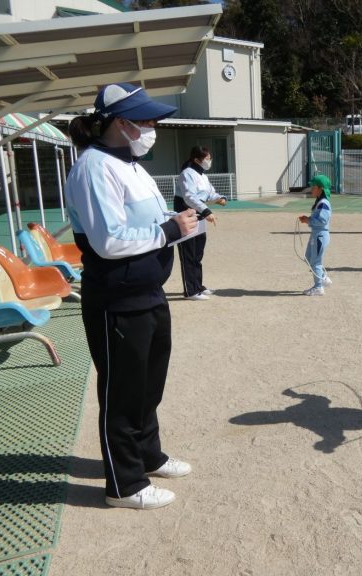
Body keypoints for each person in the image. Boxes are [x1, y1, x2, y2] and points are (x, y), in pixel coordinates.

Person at [64, 83, 197, 510]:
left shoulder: (131, 163)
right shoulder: (93, 166)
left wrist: (175, 220)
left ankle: (147, 454)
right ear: (121, 123)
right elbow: (108, 241)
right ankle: (123, 485)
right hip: (116, 298)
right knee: (122, 392)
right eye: (145, 120)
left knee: (147, 385)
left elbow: (150, 221)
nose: (152, 127)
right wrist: (168, 230)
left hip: (148, 291)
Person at [174, 146, 227, 301]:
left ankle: (198, 286)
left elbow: (209, 192)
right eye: (206, 158)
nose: (209, 161)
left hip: (199, 214)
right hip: (187, 215)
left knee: (197, 253)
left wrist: (219, 198)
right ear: (197, 160)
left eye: (209, 157)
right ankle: (190, 290)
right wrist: (206, 211)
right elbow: (189, 197)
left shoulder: (202, 175)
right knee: (188, 254)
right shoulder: (187, 174)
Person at [298, 174, 332, 295]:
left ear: (321, 188)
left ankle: (318, 287)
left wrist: (309, 220)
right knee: (308, 258)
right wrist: (308, 219)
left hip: (320, 236)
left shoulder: (324, 203)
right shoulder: (320, 202)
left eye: (314, 187)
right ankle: (323, 278)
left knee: (316, 262)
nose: (312, 189)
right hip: (316, 234)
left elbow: (323, 220)